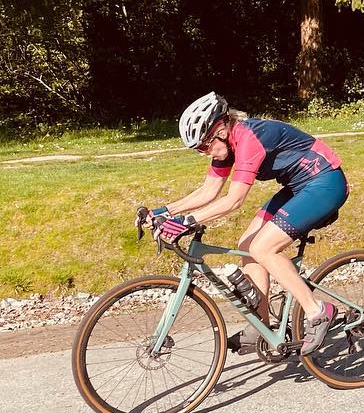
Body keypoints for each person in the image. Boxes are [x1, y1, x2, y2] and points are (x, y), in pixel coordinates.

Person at [145, 92, 348, 354]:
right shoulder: (224, 147)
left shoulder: (248, 137)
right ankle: (261, 326)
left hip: (324, 183)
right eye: (199, 150)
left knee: (264, 248)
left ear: (219, 129)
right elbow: (208, 192)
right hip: (297, 186)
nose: (205, 153)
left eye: (205, 145)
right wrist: (163, 211)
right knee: (247, 244)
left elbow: (234, 200)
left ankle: (318, 311)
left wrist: (186, 221)